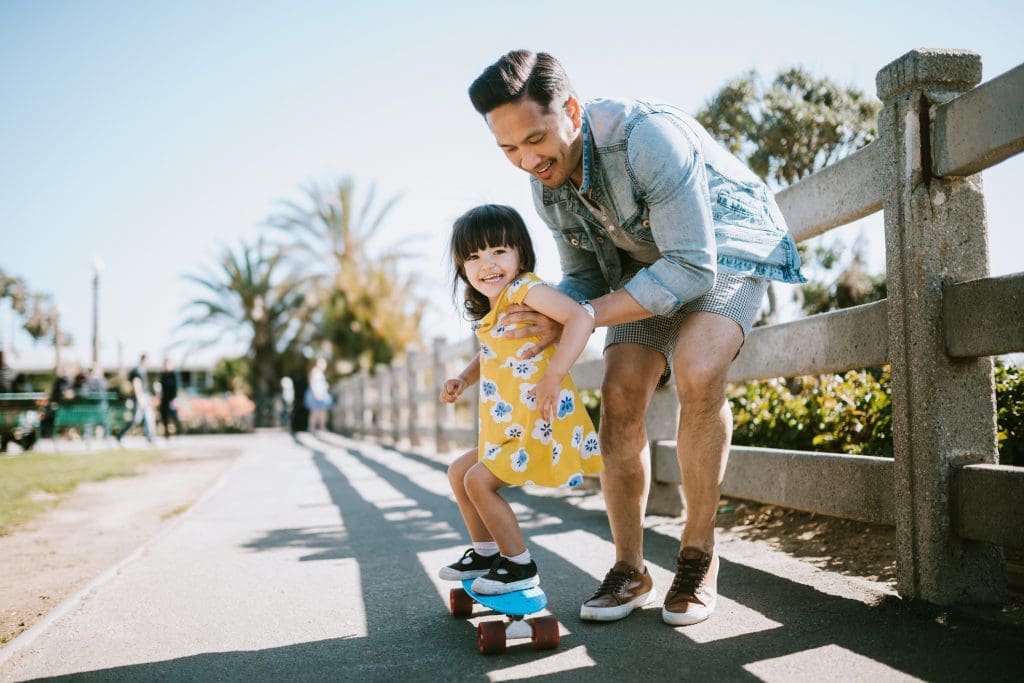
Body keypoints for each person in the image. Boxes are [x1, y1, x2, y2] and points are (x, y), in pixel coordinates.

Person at [467, 51, 805, 625]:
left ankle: (698, 556)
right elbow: (586, 277)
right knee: (620, 394)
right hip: (642, 270)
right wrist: (557, 310)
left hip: (726, 252)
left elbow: (694, 268)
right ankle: (630, 568)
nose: (528, 160)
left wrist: (580, 315)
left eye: (536, 139)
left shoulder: (647, 138)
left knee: (698, 368)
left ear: (571, 109)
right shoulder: (545, 185)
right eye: (509, 150)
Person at [437, 204, 603, 595]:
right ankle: (485, 552)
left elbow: (580, 318)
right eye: (474, 257)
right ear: (462, 268)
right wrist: (463, 377)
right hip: (510, 424)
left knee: (479, 481)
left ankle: (519, 565)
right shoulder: (496, 306)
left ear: (520, 253)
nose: (487, 264)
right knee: (460, 472)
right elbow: (493, 351)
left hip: (538, 419)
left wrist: (554, 374)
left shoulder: (525, 289)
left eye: (498, 251)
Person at [116, 353, 155, 444]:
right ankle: (120, 435)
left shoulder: (142, 370)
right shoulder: (137, 371)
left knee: (147, 418)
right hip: (140, 397)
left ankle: (150, 439)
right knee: (136, 419)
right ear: (143, 360)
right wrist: (140, 398)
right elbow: (136, 384)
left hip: (144, 396)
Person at [304, 358, 332, 432]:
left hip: (320, 393)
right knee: (316, 411)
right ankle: (313, 427)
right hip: (317, 394)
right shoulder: (316, 371)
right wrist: (316, 394)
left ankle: (320, 427)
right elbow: (313, 383)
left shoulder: (318, 372)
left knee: (320, 411)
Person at [157, 358, 183, 439]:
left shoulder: (174, 374)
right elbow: (160, 387)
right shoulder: (163, 375)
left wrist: (175, 399)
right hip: (164, 399)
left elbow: (177, 387)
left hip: (172, 399)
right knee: (164, 416)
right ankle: (166, 433)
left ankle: (179, 432)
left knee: (174, 416)